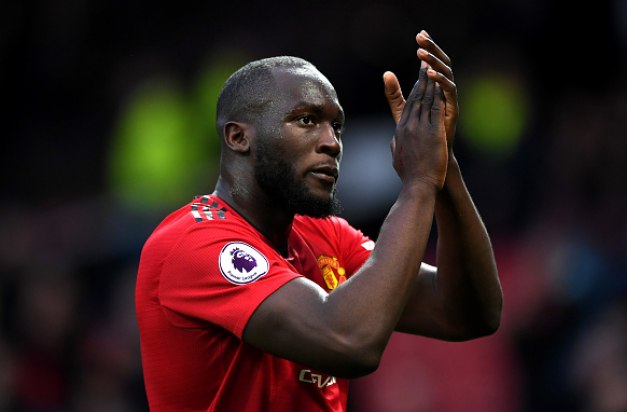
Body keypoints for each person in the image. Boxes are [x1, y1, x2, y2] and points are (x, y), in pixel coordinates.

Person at [135, 29, 503, 411]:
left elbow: (469, 314)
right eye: (307, 120)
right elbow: (350, 341)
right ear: (239, 138)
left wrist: (443, 167)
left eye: (336, 126)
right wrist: (419, 183)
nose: (332, 142)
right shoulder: (193, 242)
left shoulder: (325, 236)